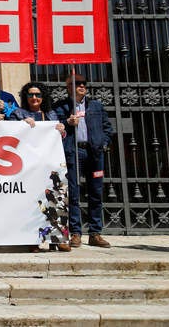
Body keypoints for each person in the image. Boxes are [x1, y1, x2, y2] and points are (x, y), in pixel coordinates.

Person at [53, 73, 113, 249]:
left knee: (96, 192)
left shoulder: (95, 105)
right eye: (77, 83)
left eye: (83, 83)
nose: (81, 86)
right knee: (73, 192)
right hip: (74, 151)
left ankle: (95, 233)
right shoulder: (61, 106)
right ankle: (75, 232)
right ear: (68, 87)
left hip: (94, 152)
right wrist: (67, 122)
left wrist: (103, 143)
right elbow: (53, 127)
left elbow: (107, 127)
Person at [10, 81, 70, 253]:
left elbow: (60, 139)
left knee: (56, 200)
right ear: (25, 97)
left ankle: (58, 239)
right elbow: (9, 133)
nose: (34, 98)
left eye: (38, 94)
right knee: (32, 203)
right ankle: (32, 240)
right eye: (30, 94)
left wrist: (62, 130)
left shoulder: (51, 115)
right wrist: (21, 124)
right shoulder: (18, 114)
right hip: (28, 166)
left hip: (50, 166)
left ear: (43, 97)